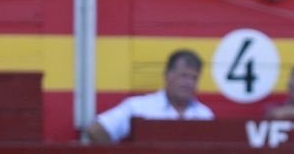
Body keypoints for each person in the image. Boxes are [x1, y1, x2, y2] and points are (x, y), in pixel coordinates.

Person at [84, 48, 212, 142]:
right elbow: (96, 130)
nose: (189, 83)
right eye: (183, 76)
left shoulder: (204, 114)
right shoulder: (139, 107)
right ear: (167, 76)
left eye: (194, 78)